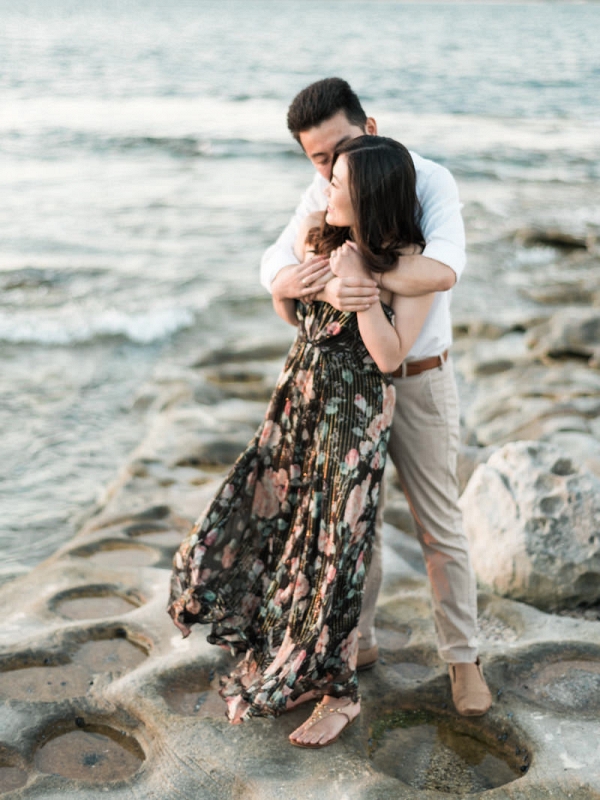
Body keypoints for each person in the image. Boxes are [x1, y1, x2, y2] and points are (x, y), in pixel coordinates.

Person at [169, 134, 434, 748]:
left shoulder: (405, 261)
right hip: (299, 402)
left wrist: (360, 283)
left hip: (355, 421)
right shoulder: (323, 230)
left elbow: (391, 356)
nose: (327, 189)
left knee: (337, 551)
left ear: (366, 193)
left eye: (338, 182)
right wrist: (308, 284)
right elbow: (288, 310)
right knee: (284, 533)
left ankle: (341, 694)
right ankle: (299, 661)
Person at [260, 77, 492, 717]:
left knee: (437, 524)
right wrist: (322, 286)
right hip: (347, 395)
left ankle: (463, 659)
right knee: (351, 520)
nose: (331, 168)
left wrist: (361, 265)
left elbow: (441, 269)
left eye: (340, 149)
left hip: (418, 378)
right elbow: (273, 270)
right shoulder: (325, 194)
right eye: (318, 160)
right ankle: (356, 641)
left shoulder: (429, 181)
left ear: (371, 125)